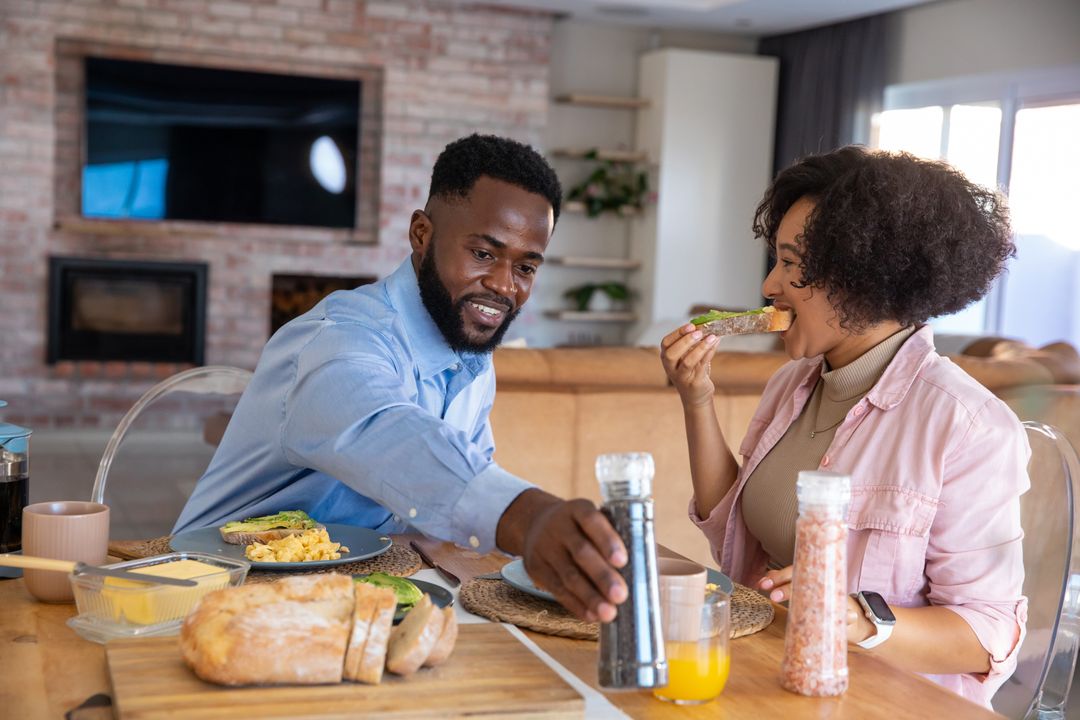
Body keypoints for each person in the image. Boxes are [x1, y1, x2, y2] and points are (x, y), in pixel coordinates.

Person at [175, 134, 627, 622]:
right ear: (421, 234)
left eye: (525, 267)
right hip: (211, 599)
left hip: (331, 601)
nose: (503, 285)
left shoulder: (472, 356)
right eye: (482, 254)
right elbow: (391, 436)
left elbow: (450, 488)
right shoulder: (339, 340)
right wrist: (528, 516)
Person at [660, 146, 1026, 707]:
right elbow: (736, 542)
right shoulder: (795, 383)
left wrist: (856, 618)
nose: (769, 287)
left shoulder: (967, 425)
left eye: (790, 263)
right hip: (779, 678)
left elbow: (989, 633)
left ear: (863, 272)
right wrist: (696, 399)